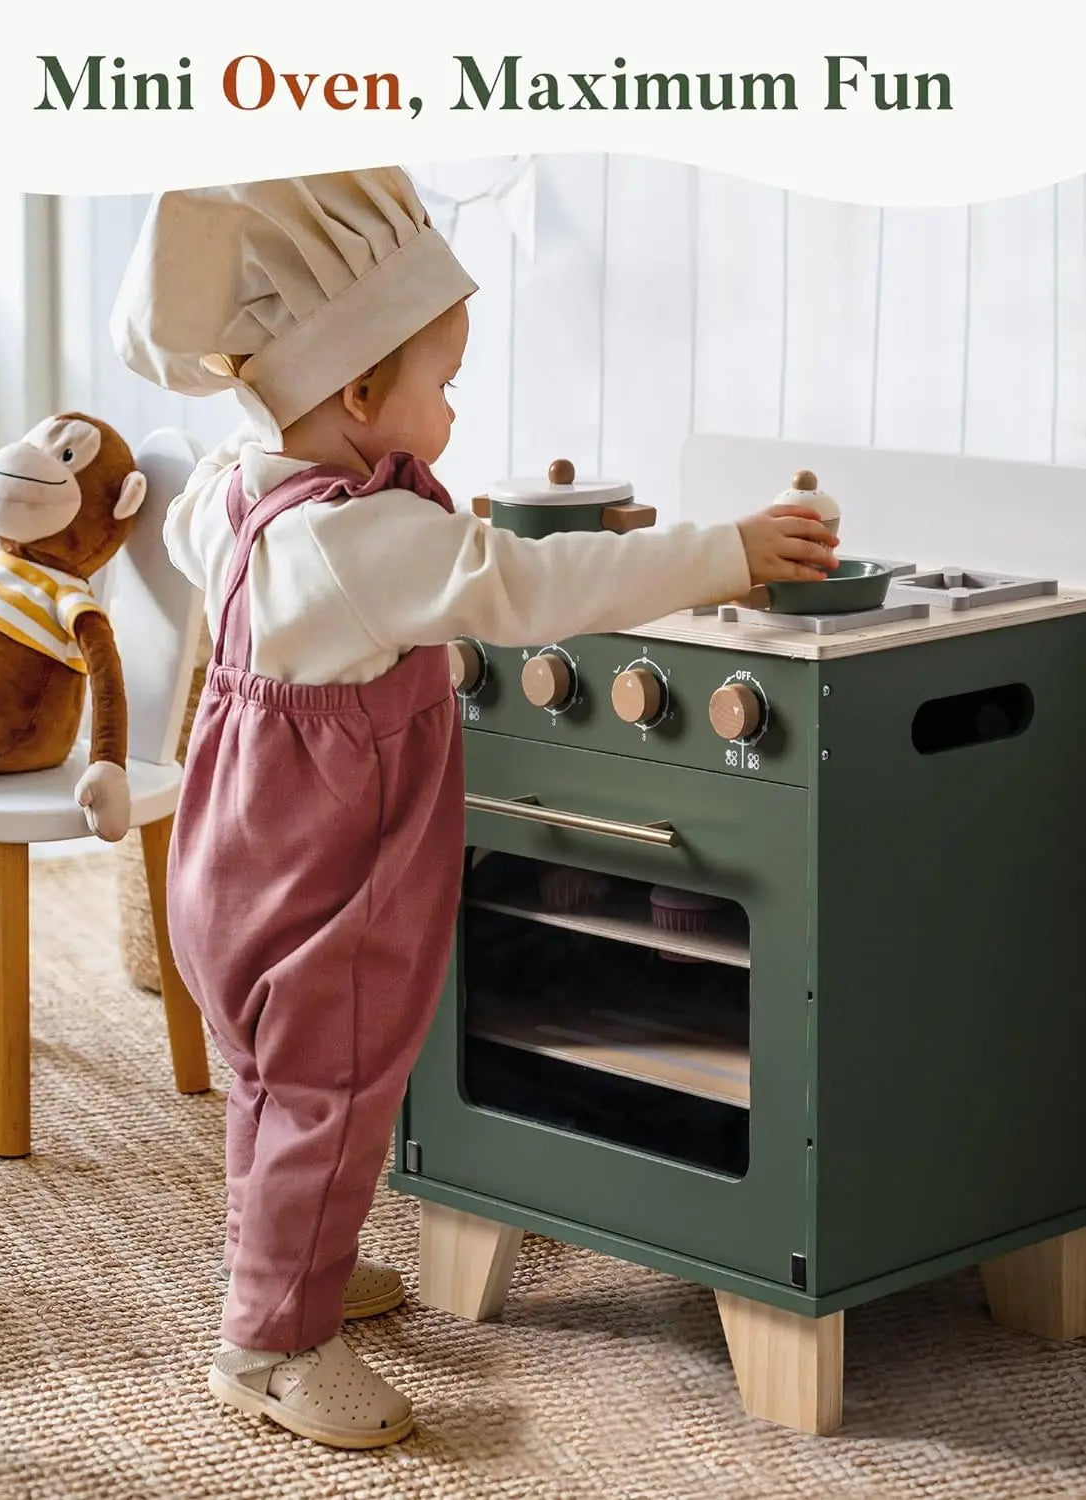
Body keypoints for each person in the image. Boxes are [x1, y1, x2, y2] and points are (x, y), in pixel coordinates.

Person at [111, 168, 837, 1452]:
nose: (453, 408)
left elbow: (210, 547)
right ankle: (270, 1348)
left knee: (277, 1096)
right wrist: (729, 549)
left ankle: (290, 1271)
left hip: (229, 866)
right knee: (328, 1097)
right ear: (354, 395)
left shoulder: (241, 495)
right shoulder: (360, 541)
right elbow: (530, 583)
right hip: (329, 889)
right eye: (443, 387)